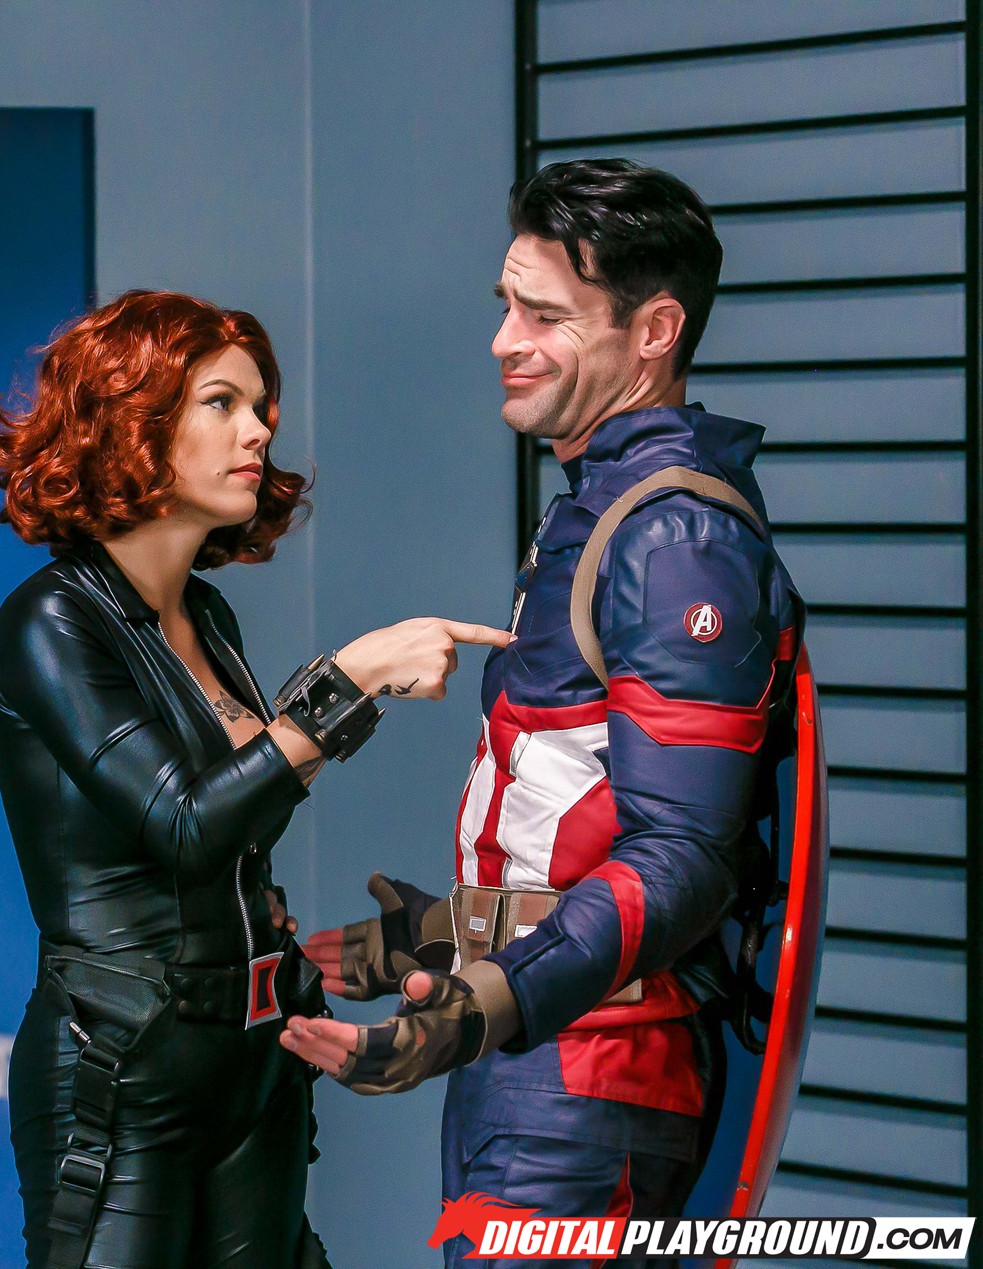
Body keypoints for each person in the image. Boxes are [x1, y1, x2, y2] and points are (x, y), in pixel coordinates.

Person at [282, 160, 806, 1263]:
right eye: (505, 306)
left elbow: (682, 859)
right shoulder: (608, 504)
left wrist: (480, 999)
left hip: (594, 1069)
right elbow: (585, 816)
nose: (502, 340)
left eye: (545, 316)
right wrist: (439, 934)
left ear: (652, 330)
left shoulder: (673, 539)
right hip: (546, 1059)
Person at [0, 289, 511, 1269]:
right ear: (132, 421)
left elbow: (243, 819)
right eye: (220, 403)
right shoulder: (50, 622)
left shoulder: (207, 617)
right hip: (119, 1068)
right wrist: (350, 681)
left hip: (254, 1054)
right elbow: (186, 825)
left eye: (260, 406)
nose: (259, 430)